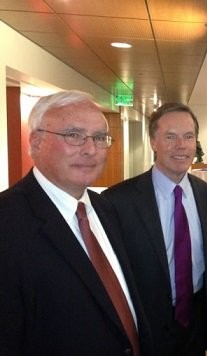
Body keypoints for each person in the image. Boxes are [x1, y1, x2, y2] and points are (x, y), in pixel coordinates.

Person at [0, 90, 153, 355]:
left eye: (99, 138)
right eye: (74, 136)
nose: (91, 149)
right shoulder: (7, 221)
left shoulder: (105, 208)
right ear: (35, 142)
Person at [103, 103, 207, 355]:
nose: (181, 145)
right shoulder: (119, 200)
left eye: (188, 136)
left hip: (195, 321)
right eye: (170, 136)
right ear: (153, 141)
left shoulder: (206, 194)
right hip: (147, 323)